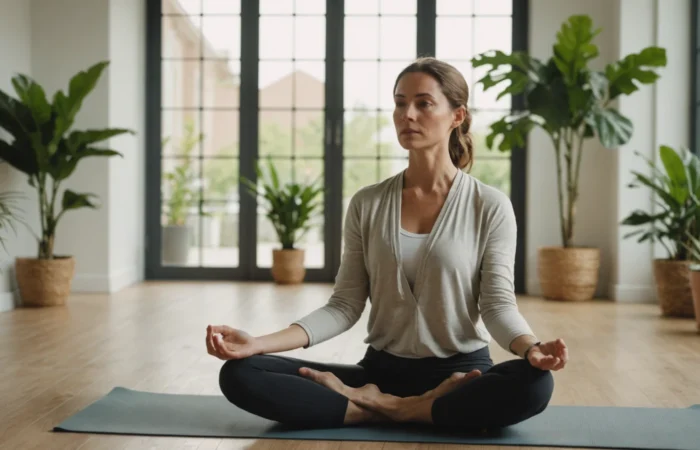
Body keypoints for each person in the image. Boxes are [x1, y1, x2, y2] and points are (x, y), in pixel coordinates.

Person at [206, 57, 568, 432]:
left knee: (536, 383)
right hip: (378, 375)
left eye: (423, 103)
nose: (407, 114)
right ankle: (404, 408)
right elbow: (344, 306)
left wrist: (530, 348)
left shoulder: (488, 205)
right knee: (242, 373)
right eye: (399, 102)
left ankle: (381, 409)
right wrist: (257, 344)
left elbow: (497, 305)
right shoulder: (368, 202)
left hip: (460, 376)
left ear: (457, 116)